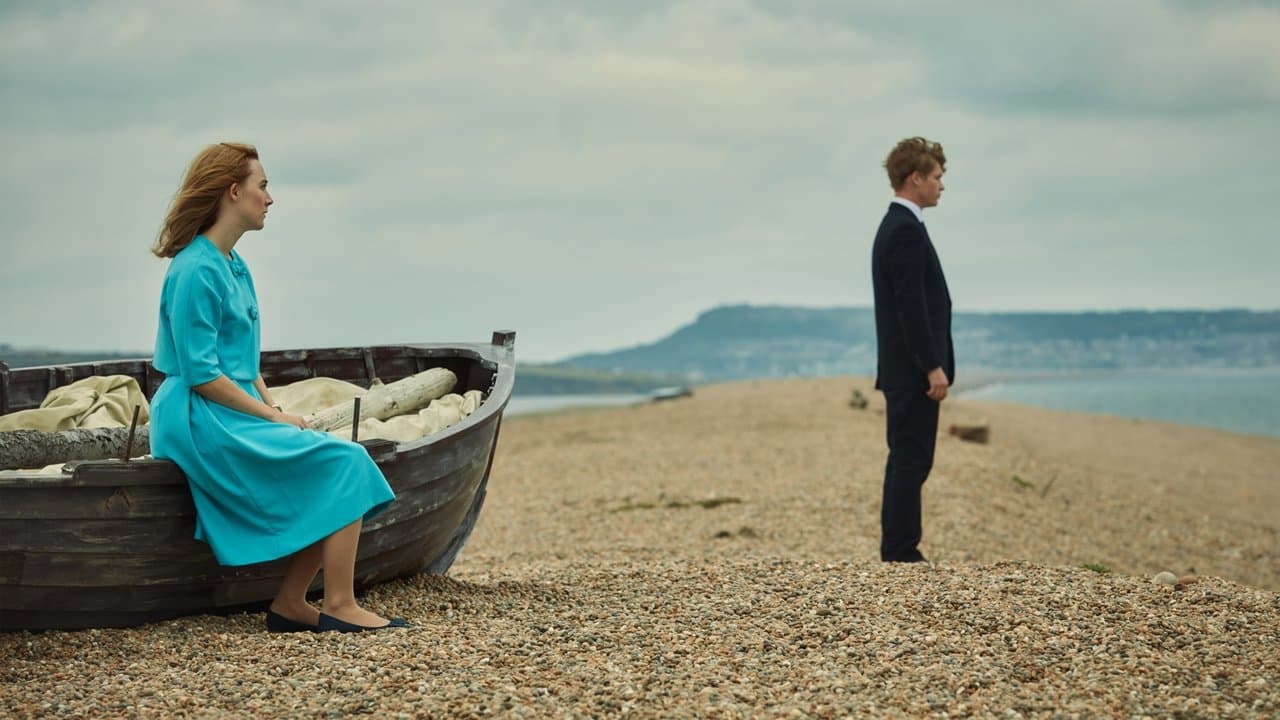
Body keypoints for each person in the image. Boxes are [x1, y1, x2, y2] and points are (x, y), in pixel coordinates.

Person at [149, 142, 404, 632]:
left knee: (324, 465)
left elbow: (238, 360)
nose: (270, 198)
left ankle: (290, 603)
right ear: (233, 191)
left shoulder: (233, 264)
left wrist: (273, 404)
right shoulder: (196, 270)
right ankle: (340, 604)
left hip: (228, 408)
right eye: (262, 186)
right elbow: (201, 374)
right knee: (345, 461)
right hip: (197, 419)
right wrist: (269, 418)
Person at [870, 137, 954, 563]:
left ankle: (899, 547)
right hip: (912, 373)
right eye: (937, 177)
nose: (942, 185)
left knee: (909, 458)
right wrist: (932, 367)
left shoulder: (903, 225)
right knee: (910, 458)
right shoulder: (903, 229)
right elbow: (911, 308)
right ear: (915, 178)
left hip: (906, 370)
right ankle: (901, 551)